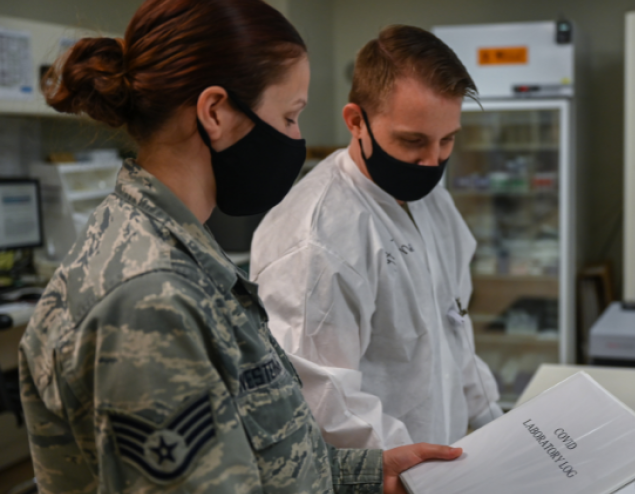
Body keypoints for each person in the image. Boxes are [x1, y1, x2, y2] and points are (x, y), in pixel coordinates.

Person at [19, 3, 461, 492]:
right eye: (291, 116)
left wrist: (369, 473)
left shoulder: (187, 253)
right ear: (215, 113)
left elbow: (265, 454)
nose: (297, 138)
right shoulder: (148, 300)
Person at [250, 25, 503, 451]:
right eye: (412, 141)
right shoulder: (318, 240)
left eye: (447, 141)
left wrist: (493, 421)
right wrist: (414, 468)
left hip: (445, 461)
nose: (431, 162)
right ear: (356, 122)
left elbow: (452, 329)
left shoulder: (431, 202)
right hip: (384, 474)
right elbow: (323, 403)